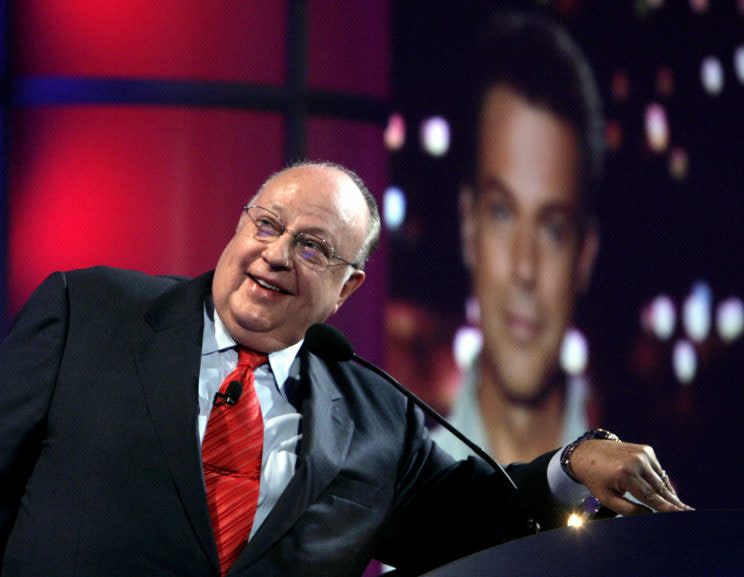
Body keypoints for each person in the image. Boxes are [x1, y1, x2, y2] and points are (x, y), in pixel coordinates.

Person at [0, 161, 689, 577]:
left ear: (348, 288)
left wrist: (572, 463)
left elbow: (489, 523)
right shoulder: (88, 311)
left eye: (312, 247)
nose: (274, 253)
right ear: (239, 227)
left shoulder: (374, 417)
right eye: (266, 225)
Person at [431, 11, 606, 464]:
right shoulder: (406, 511)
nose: (524, 268)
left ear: (584, 255)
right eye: (502, 212)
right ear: (469, 225)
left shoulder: (647, 521)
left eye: (552, 228)